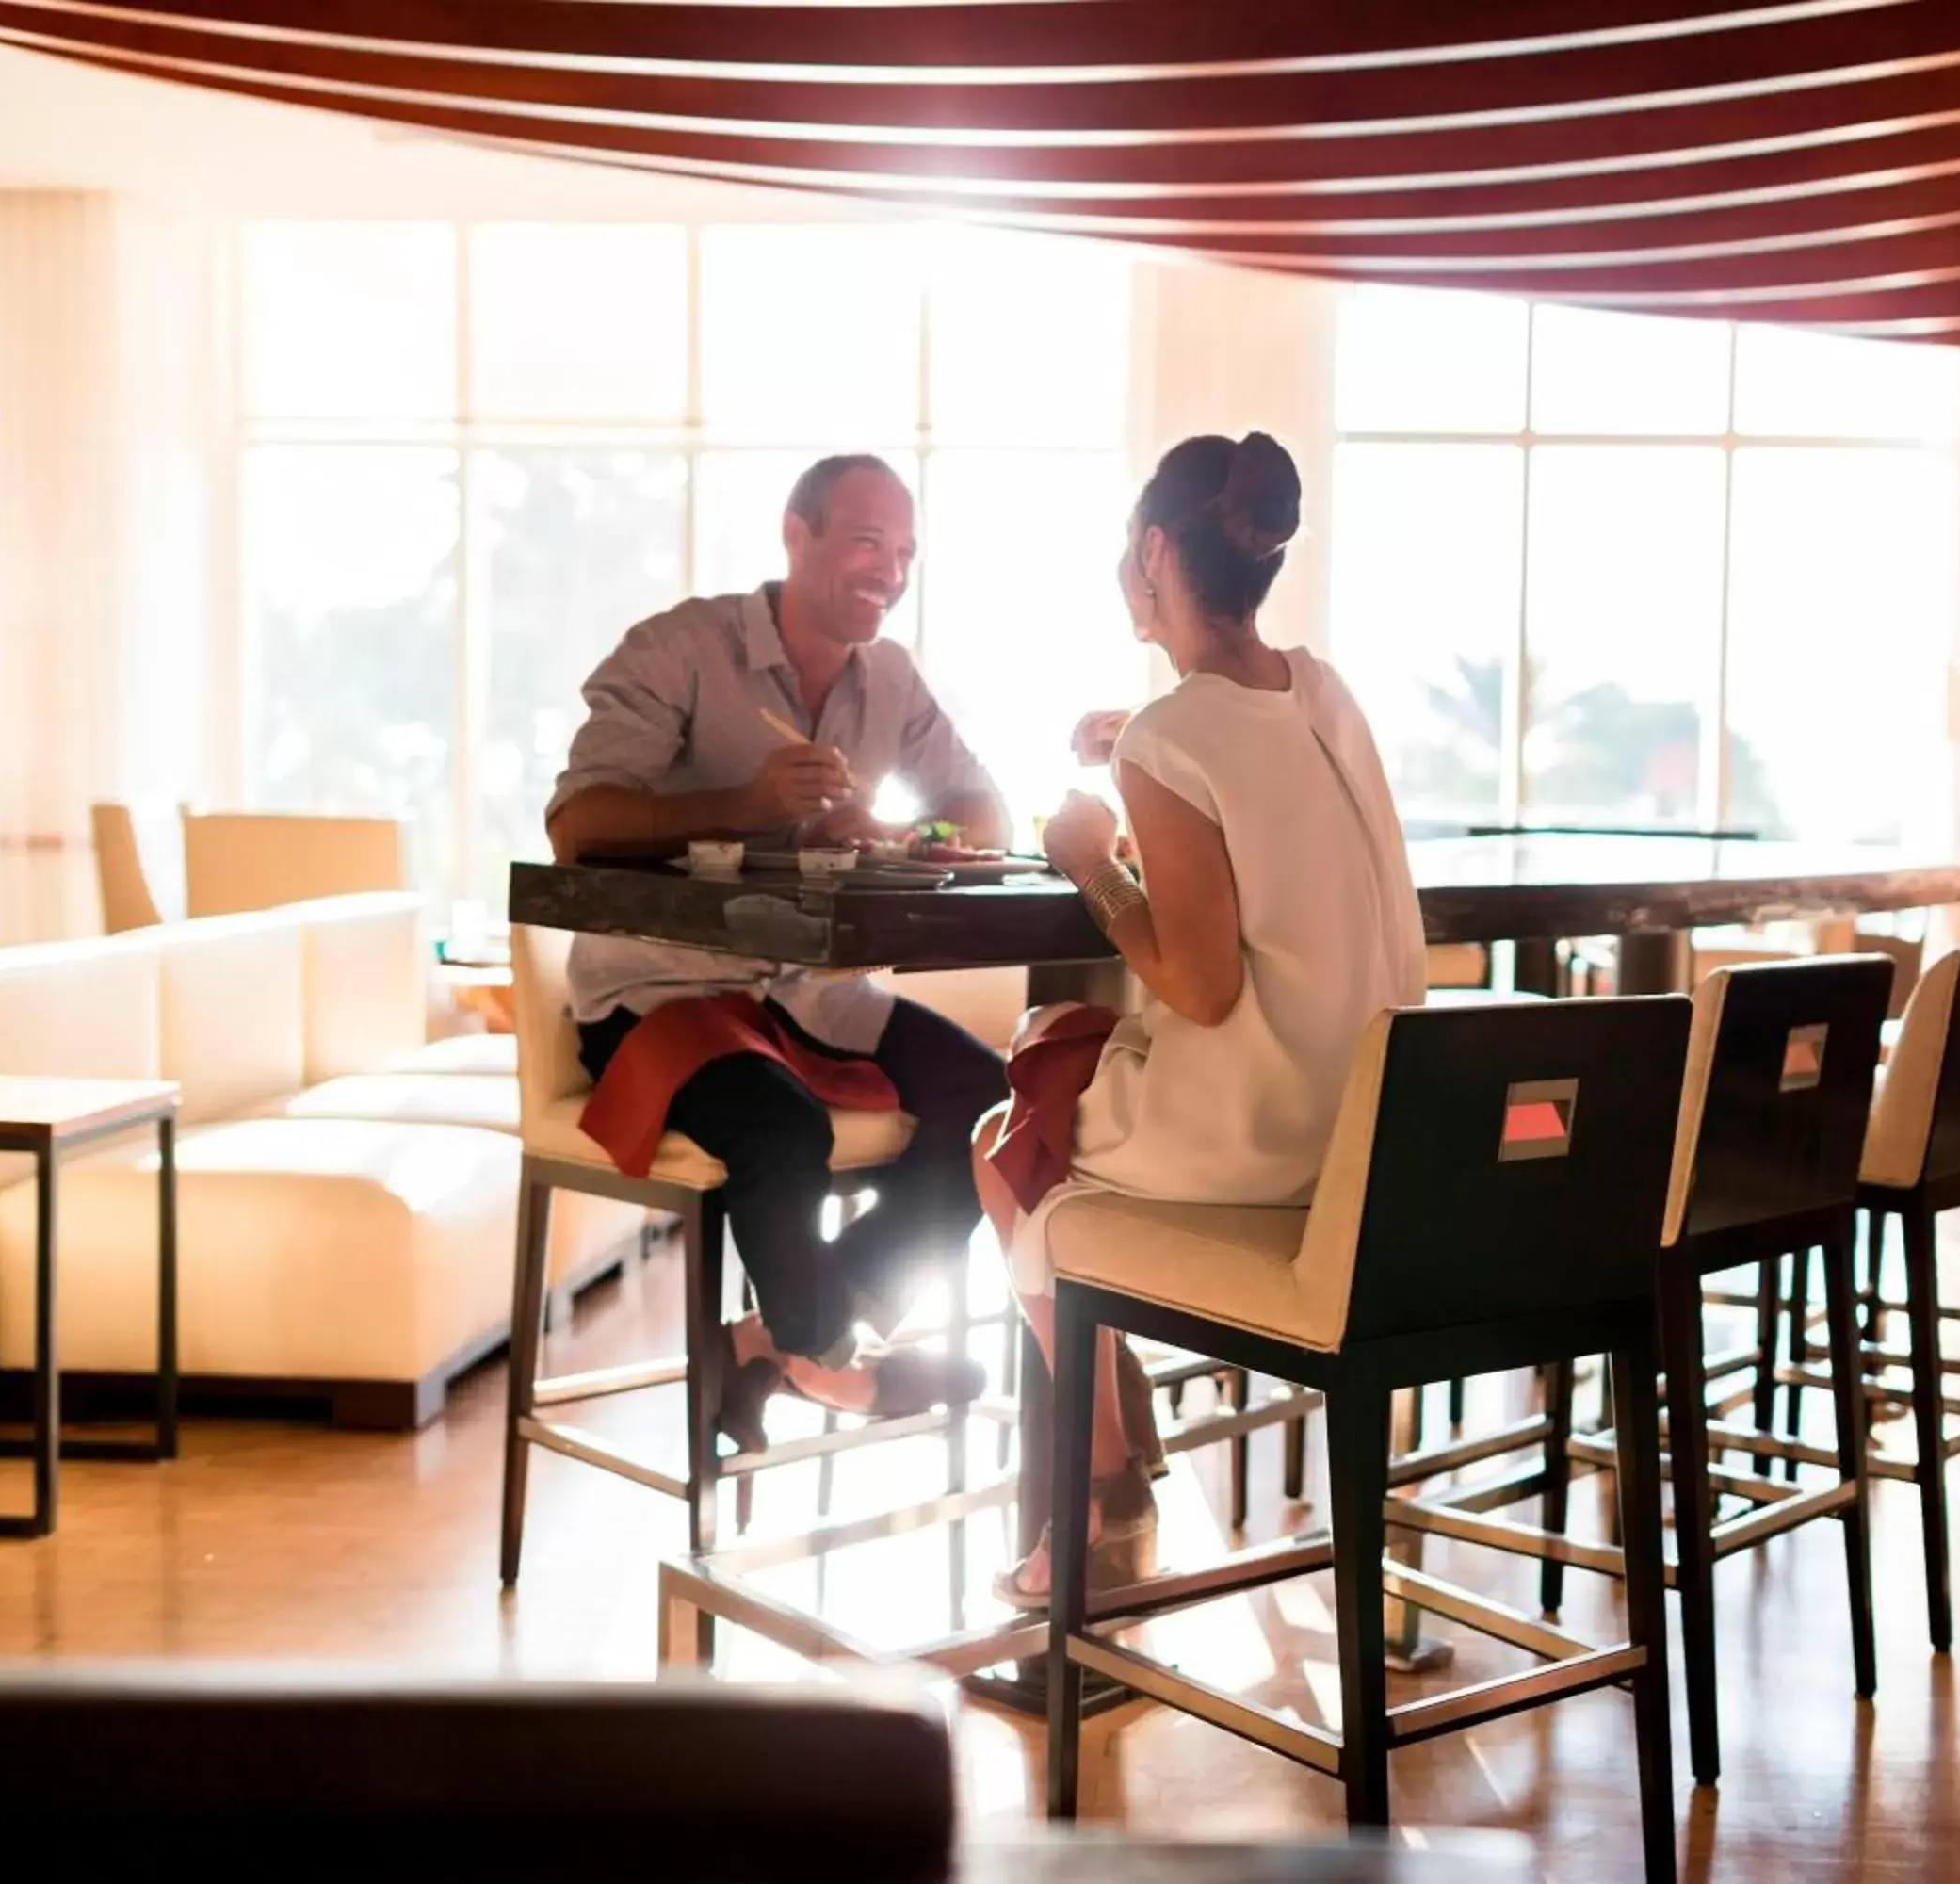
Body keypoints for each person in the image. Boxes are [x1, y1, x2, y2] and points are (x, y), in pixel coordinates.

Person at [970, 431, 1429, 1604]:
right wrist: (1135, 742)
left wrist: (1090, 859)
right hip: (1376, 1128)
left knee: (1005, 1146)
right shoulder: (1324, 691)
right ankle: (1113, 1457)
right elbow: (1251, 755)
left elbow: (1204, 985)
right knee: (1056, 1070)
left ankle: (1104, 1495)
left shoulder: (1173, 738)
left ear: (1157, 550)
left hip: (1256, 1134)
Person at [546, 454, 1009, 1447]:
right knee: (783, 1130)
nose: (890, 568)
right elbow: (575, 827)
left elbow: (981, 807)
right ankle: (830, 1359)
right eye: (866, 540)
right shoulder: (679, 648)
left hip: (805, 991)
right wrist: (743, 806)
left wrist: (907, 836)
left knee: (990, 1103)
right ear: (796, 533)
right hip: (656, 996)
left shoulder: (888, 677)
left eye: (906, 550)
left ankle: (774, 1337)